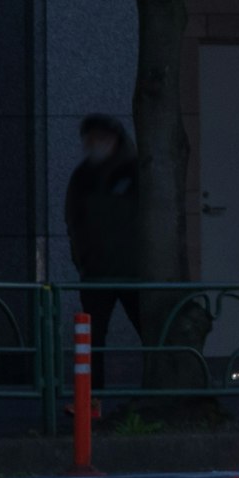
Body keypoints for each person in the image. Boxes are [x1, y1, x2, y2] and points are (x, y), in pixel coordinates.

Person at [64, 114, 142, 400]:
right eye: (89, 139)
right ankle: (89, 400)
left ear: (114, 140)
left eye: (100, 138)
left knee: (152, 333)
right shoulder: (83, 176)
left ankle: (157, 392)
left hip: (135, 272)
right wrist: (82, 259)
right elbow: (73, 220)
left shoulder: (134, 172)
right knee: (91, 340)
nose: (93, 144)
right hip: (96, 271)